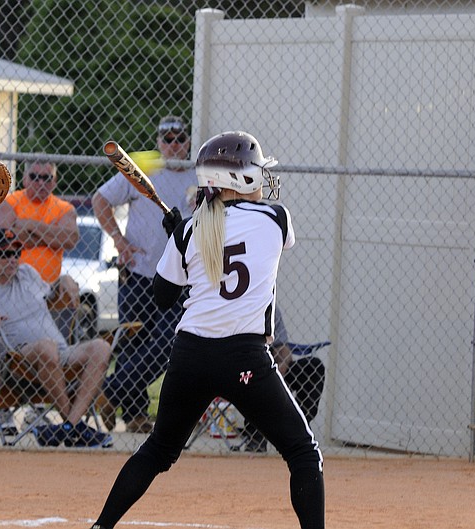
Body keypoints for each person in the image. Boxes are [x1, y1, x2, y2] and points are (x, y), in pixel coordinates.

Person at [90, 131, 324, 529]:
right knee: (303, 452)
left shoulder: (189, 231)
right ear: (240, 179)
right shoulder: (276, 218)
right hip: (246, 359)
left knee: (159, 451)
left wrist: (178, 236)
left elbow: (163, 297)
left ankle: (101, 526)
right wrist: (186, 231)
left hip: (190, 357)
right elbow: (245, 237)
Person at [93, 115, 197, 433]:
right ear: (158, 142)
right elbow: (100, 200)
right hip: (139, 273)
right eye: (166, 139)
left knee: (169, 342)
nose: (173, 145)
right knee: (133, 345)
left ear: (188, 142)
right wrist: (119, 242)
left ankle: (110, 393)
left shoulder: (199, 173)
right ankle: (135, 415)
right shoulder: (145, 167)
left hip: (179, 277)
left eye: (179, 138)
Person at [0, 229, 113, 448]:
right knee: (46, 347)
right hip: (15, 362)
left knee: (101, 347)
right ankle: (76, 428)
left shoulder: (27, 273)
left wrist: (64, 280)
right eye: (4, 254)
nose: (12, 259)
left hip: (58, 353)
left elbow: (51, 296)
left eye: (16, 253)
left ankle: (69, 427)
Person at [241, 306, 327, 453]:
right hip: (246, 368)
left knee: (314, 366)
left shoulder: (269, 305)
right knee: (254, 374)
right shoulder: (231, 309)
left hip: (274, 366)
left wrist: (279, 368)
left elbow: (283, 348)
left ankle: (298, 425)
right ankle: (256, 438)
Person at [0, 161, 79, 284]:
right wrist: (53, 236)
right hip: (12, 284)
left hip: (48, 288)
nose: (41, 183)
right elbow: (2, 240)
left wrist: (30, 225)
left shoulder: (65, 208)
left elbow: (70, 239)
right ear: (25, 178)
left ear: (54, 180)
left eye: (47, 178)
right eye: (34, 177)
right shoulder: (9, 202)